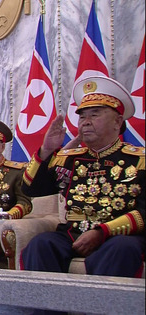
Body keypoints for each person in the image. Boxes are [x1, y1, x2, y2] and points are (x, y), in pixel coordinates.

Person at [21, 75, 145, 278]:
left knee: (121, 249)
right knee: (41, 244)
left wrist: (101, 232)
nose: (86, 122)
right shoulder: (68, 158)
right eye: (82, 117)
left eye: (94, 115)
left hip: (118, 236)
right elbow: (31, 189)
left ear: (117, 121)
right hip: (73, 234)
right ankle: (47, 308)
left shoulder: (139, 160)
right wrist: (46, 150)